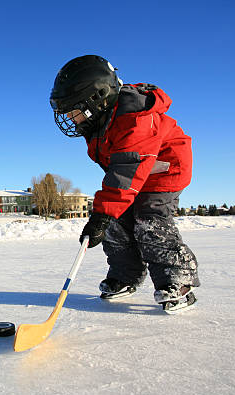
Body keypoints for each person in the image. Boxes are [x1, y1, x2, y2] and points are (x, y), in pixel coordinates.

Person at [49, 55, 199, 313]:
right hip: (132, 173)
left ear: (98, 99)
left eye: (76, 111)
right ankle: (126, 275)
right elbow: (120, 173)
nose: (73, 119)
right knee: (116, 223)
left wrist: (101, 214)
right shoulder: (100, 123)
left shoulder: (134, 119)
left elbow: (125, 171)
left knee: (149, 220)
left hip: (164, 170)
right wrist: (108, 215)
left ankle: (177, 282)